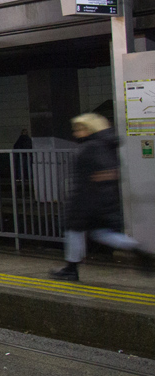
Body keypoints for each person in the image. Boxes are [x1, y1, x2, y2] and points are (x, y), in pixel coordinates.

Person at [51, 114, 153, 281]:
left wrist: (78, 201)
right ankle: (135, 247)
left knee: (74, 231)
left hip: (87, 199)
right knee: (101, 233)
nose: (76, 133)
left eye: (79, 129)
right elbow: (113, 172)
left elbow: (89, 177)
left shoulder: (90, 147)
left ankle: (71, 269)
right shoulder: (108, 146)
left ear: (89, 129)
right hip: (104, 197)